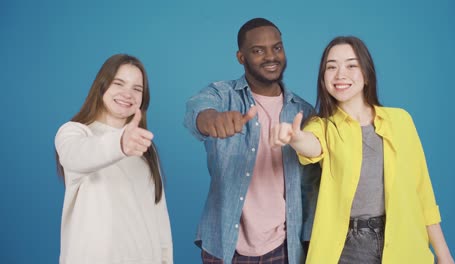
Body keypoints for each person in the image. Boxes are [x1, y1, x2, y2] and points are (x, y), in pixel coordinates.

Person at [270, 36, 455, 263]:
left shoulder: (401, 121)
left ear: (366, 74)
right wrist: (295, 138)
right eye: (331, 67)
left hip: (403, 243)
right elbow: (312, 145)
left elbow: (423, 194)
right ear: (323, 78)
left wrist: (444, 254)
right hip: (348, 249)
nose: (340, 74)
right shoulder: (322, 126)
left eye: (351, 65)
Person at [184, 18, 320, 264]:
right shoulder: (222, 96)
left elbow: (310, 189)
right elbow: (197, 110)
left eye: (277, 47)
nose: (271, 57)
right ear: (241, 57)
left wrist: (309, 244)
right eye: (258, 50)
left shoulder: (304, 112)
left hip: (284, 248)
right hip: (224, 245)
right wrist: (212, 119)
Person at [55, 54, 173, 264]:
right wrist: (119, 143)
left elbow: (159, 219)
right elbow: (76, 155)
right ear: (101, 86)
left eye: (137, 88)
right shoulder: (74, 133)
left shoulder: (144, 147)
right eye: (118, 83)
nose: (128, 94)